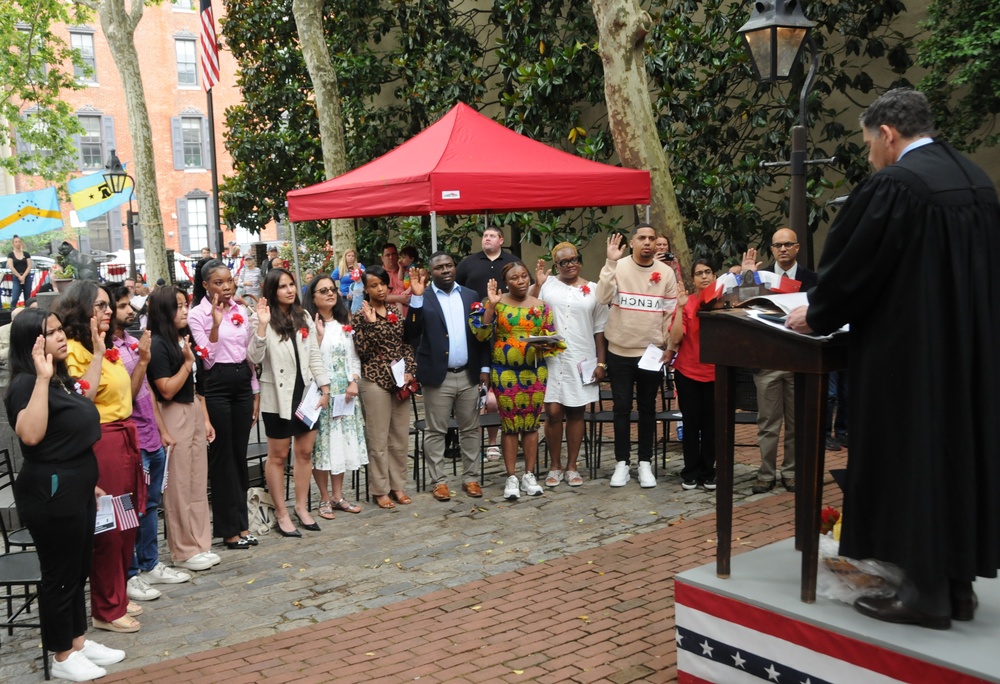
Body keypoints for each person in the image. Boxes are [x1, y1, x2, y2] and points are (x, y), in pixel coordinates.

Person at [786, 88, 1000, 629]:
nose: (869, 156)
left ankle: (924, 595)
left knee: (915, 459)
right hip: (969, 354)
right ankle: (956, 587)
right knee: (955, 455)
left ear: (887, 134)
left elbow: (856, 264)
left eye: (867, 145)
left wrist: (817, 311)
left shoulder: (897, 185)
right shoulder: (974, 177)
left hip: (912, 353)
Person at [5, 308, 127, 681]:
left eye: (60, 329)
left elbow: (85, 399)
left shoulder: (59, 378)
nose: (60, 336)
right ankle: (61, 655)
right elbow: (29, 434)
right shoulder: (28, 383)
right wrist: (42, 379)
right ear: (32, 342)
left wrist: (96, 351)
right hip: (50, 492)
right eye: (51, 332)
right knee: (60, 574)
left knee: (77, 569)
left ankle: (77, 640)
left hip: (76, 484)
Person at [55, 281, 144, 634]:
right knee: (109, 528)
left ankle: (117, 594)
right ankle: (106, 608)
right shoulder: (77, 351)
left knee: (127, 522)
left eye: (109, 305)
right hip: (102, 441)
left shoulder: (106, 348)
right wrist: (95, 352)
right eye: (101, 306)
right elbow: (82, 401)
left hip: (125, 436)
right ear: (81, 310)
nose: (108, 311)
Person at [105, 287, 195, 609]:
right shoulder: (108, 351)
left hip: (151, 438)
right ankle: (130, 574)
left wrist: (161, 429)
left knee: (151, 504)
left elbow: (146, 394)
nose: (129, 311)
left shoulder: (131, 342)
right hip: (131, 441)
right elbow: (126, 396)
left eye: (129, 305)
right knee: (132, 510)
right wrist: (142, 360)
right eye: (121, 306)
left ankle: (150, 563)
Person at [247, 268, 330, 536]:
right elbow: (254, 358)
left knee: (305, 453)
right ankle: (281, 512)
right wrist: (261, 325)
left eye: (291, 284)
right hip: (277, 397)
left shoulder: (303, 315)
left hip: (306, 394)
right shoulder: (261, 318)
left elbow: (314, 355)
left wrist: (325, 387)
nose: (289, 290)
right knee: (279, 456)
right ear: (271, 291)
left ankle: (302, 507)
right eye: (282, 286)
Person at [471, 261, 564, 501]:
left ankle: (529, 474)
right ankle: (511, 477)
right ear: (506, 282)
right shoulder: (497, 303)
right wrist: (490, 307)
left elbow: (551, 335)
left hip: (534, 372)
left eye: (524, 276)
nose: (521, 281)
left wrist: (546, 344)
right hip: (505, 373)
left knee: (531, 424)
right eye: (515, 278)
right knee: (510, 426)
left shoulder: (541, 306)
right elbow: (481, 333)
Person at [595, 225, 677, 488]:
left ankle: (644, 463)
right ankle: (621, 462)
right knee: (620, 408)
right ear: (632, 242)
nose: (648, 243)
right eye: (642, 238)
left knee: (647, 409)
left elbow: (669, 313)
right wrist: (610, 262)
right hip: (619, 350)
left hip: (651, 353)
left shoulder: (666, 273)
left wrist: (669, 347)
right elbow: (602, 296)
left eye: (652, 238)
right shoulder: (617, 267)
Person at [145, 286, 220, 575]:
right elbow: (165, 389)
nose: (185, 311)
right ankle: (182, 550)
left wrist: (205, 419)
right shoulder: (158, 344)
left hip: (192, 410)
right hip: (172, 412)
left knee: (197, 481)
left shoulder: (183, 338)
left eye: (185, 305)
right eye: (178, 306)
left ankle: (200, 543)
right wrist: (187, 364)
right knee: (177, 486)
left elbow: (197, 387)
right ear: (164, 311)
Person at [405, 253, 490, 502]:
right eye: (439, 267)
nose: (445, 270)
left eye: (449, 265)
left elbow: (481, 335)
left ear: (455, 268)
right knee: (436, 432)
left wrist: (484, 369)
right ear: (431, 272)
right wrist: (417, 299)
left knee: (471, 429)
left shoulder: (470, 295)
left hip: (468, 374)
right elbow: (411, 332)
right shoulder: (424, 297)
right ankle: (438, 481)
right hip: (437, 376)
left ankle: (471, 478)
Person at [188, 259, 261, 550]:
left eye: (229, 280)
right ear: (206, 285)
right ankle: (228, 530)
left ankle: (243, 526)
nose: (227, 287)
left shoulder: (240, 310)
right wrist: (215, 326)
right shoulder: (197, 314)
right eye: (219, 282)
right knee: (223, 458)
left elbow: (247, 356)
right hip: (216, 383)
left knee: (239, 456)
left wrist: (255, 393)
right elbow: (206, 357)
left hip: (242, 382)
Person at [743, 228, 817, 494]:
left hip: (799, 361)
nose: (783, 249)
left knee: (797, 423)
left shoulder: (812, 279)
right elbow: (744, 306)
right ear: (772, 249)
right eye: (777, 245)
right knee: (768, 423)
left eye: (788, 244)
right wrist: (747, 276)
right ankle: (765, 473)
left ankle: (791, 472)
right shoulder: (761, 278)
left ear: (797, 248)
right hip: (768, 362)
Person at [533, 243, 608, 488]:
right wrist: (538, 283)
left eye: (574, 259)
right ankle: (555, 465)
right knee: (553, 412)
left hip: (582, 358)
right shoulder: (548, 286)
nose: (570, 265)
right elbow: (535, 314)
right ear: (557, 265)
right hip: (552, 358)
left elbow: (599, 330)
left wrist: (601, 362)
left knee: (577, 411)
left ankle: (572, 466)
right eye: (564, 262)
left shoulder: (594, 290)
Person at [351, 265, 416, 510]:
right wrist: (371, 325)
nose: (380, 289)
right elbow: (363, 351)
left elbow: (406, 343)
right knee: (378, 438)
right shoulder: (359, 316)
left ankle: (398, 485)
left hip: (400, 381)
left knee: (399, 437)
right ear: (365, 289)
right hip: (374, 380)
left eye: (383, 284)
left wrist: (410, 369)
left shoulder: (394, 311)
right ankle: (380, 489)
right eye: (374, 285)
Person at [455, 226, 520, 459]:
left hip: (507, 330)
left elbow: (524, 286)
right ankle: (486, 442)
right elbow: (456, 289)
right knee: (483, 393)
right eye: (484, 236)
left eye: (492, 236)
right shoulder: (468, 263)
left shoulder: (513, 262)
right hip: (476, 329)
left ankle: (512, 437)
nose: (487, 239)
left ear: (501, 240)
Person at [304, 275, 366, 517]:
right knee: (323, 446)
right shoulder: (308, 323)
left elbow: (353, 357)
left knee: (340, 444)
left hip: (346, 393)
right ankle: (324, 498)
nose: (330, 293)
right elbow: (308, 359)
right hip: (322, 393)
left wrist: (354, 381)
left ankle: (339, 496)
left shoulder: (344, 323)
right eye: (323, 290)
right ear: (314, 297)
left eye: (332, 289)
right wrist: (317, 337)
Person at [668, 259, 718, 491]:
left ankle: (709, 472)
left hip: (716, 373)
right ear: (693, 279)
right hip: (687, 372)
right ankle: (690, 471)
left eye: (708, 272)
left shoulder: (725, 303)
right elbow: (676, 338)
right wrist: (679, 307)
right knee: (691, 424)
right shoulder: (687, 303)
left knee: (711, 425)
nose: (704, 277)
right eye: (699, 273)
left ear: (715, 276)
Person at [331, 249, 365, 314]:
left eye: (353, 256)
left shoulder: (359, 266)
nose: (351, 258)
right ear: (345, 257)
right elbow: (330, 279)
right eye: (349, 256)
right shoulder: (340, 268)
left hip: (357, 295)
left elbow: (367, 277)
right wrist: (336, 290)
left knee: (358, 313)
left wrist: (359, 273)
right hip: (344, 295)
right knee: (346, 314)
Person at [380, 243, 410, 315]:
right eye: (388, 255)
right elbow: (377, 296)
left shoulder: (407, 271)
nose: (391, 257)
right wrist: (399, 298)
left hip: (409, 315)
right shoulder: (378, 274)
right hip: (387, 316)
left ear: (397, 255)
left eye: (393, 254)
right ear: (382, 258)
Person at [7, 235, 34, 308]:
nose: (18, 243)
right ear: (13, 244)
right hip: (17, 278)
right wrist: (20, 277)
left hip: (26, 277)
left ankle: (27, 314)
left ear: (21, 243)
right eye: (16, 242)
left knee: (27, 298)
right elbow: (11, 266)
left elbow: (29, 266)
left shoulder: (26, 254)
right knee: (15, 298)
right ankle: (12, 313)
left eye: (19, 242)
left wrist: (24, 276)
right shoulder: (11, 255)